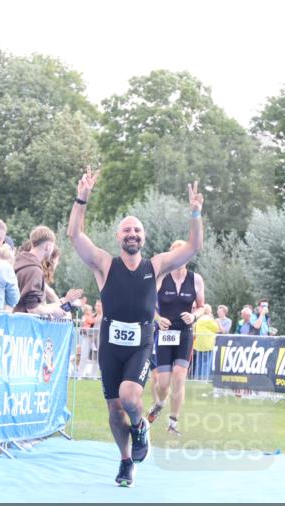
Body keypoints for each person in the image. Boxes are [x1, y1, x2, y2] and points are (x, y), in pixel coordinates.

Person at [68, 167, 203, 487]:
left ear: (143, 238)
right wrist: (81, 198)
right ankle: (126, 461)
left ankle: (141, 427)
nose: (132, 234)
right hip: (110, 347)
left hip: (141, 343)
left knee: (130, 396)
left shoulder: (155, 266)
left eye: (137, 230)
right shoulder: (104, 264)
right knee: (115, 410)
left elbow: (193, 248)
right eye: (127, 230)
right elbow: (75, 235)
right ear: (118, 237)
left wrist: (195, 213)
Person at [147, 240, 205, 436]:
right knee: (163, 383)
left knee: (179, 377)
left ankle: (173, 423)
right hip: (165, 333)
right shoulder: (161, 277)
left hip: (185, 333)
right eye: (175, 254)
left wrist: (194, 316)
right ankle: (159, 402)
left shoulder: (196, 279)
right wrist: (157, 318)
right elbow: (146, 303)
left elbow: (203, 307)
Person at [14, 226, 70, 317]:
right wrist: (53, 309)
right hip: (25, 326)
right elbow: (32, 309)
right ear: (48, 247)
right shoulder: (34, 271)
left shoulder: (17, 262)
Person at [192, 304, 221, 382]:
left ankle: (196, 378)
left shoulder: (198, 320)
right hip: (208, 344)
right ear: (209, 311)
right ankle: (204, 379)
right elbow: (217, 329)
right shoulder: (209, 319)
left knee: (199, 363)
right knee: (206, 363)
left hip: (198, 345)